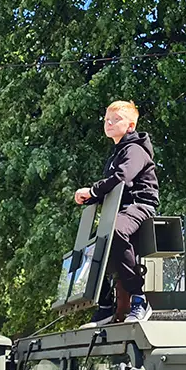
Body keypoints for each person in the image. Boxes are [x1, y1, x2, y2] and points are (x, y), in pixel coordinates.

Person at [76, 100, 160, 326]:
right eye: (106, 120)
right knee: (92, 247)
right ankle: (105, 307)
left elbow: (123, 178)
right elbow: (111, 187)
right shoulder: (116, 154)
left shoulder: (135, 149)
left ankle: (140, 300)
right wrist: (90, 197)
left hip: (140, 204)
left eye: (116, 119)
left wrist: (92, 189)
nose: (109, 123)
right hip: (120, 209)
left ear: (131, 126)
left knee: (114, 231)